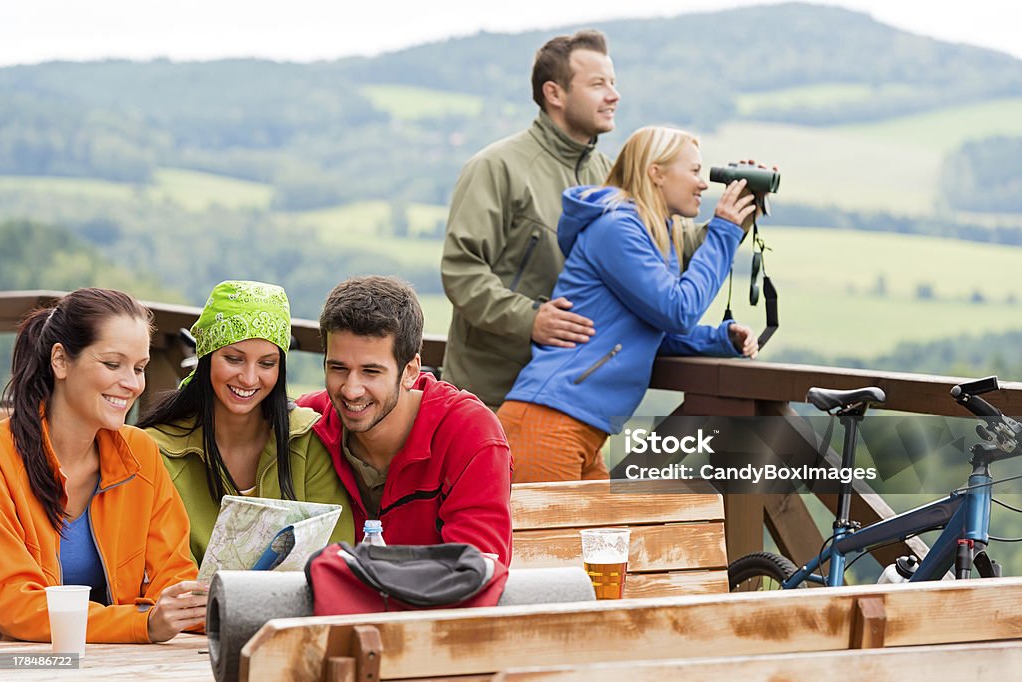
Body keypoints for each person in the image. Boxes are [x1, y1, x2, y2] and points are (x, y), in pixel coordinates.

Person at [498, 126, 760, 483]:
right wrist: (725, 231)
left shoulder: (653, 233)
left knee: (606, 541)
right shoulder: (617, 229)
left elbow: (646, 331)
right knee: (553, 542)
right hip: (549, 421)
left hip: (582, 429)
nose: (703, 184)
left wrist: (719, 340)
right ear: (656, 172)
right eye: (695, 171)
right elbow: (678, 310)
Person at [0, 288, 204, 643]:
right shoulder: (3, 457)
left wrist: (195, 609)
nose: (132, 383)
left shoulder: (140, 453)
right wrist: (143, 624)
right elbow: (15, 606)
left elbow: (173, 575)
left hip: (113, 663)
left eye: (140, 368)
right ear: (60, 360)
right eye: (112, 364)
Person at [441, 29, 619, 409]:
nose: (613, 95)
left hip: (572, 398)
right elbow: (461, 272)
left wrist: (728, 222)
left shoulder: (610, 176)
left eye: (613, 83)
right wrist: (530, 319)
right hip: (491, 398)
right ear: (554, 93)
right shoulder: (496, 166)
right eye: (598, 84)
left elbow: (649, 255)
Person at [296, 276, 513, 562]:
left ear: (410, 370)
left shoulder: (471, 433)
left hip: (438, 606)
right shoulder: (309, 422)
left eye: (371, 372)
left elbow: (477, 573)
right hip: (337, 604)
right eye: (338, 368)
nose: (351, 389)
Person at [138, 280, 353, 565]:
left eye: (267, 364)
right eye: (234, 359)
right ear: (206, 357)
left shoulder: (308, 439)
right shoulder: (158, 452)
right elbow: (166, 570)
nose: (250, 379)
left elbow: (335, 553)